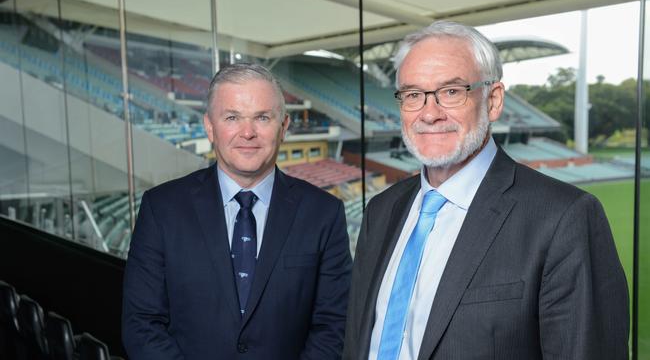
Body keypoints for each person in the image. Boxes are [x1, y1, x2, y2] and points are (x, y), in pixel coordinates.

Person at [343, 21, 628, 360]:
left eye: (451, 91)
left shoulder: (564, 217)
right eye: (413, 94)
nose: (429, 113)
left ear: (493, 101)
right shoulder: (382, 210)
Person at [122, 63, 352, 359]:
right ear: (210, 127)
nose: (247, 133)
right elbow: (141, 323)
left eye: (262, 118)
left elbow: (334, 325)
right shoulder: (161, 208)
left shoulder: (324, 213)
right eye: (232, 117)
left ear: (283, 127)